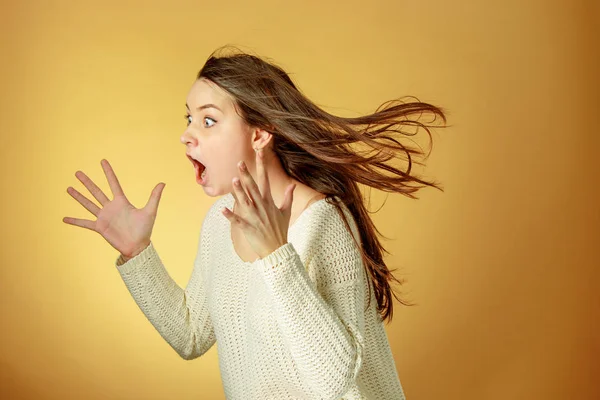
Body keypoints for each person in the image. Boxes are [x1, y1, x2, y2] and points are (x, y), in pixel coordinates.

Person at [63, 47, 447, 400]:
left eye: (209, 120)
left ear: (260, 134)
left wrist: (278, 257)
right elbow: (191, 335)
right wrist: (138, 252)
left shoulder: (322, 221)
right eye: (189, 118)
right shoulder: (220, 220)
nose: (187, 135)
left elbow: (336, 380)